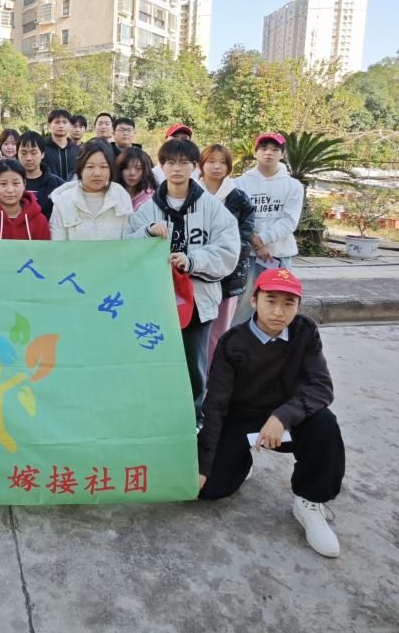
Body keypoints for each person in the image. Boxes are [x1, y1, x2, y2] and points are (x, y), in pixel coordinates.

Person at [198, 267, 346, 559]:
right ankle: (243, 463)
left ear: (298, 306)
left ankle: (308, 502)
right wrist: (203, 466)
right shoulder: (232, 342)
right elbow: (215, 405)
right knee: (208, 490)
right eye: (271, 301)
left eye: (289, 303)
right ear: (254, 300)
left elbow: (321, 386)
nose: (279, 311)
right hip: (243, 419)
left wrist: (282, 417)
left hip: (290, 419)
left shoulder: (305, 331)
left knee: (325, 424)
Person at [125, 138, 240, 428]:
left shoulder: (212, 208)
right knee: (155, 360)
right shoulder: (147, 210)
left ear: (195, 167)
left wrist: (192, 261)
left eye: (184, 163)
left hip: (198, 302)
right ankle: (155, 416)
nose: (177, 168)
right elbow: (125, 247)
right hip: (155, 302)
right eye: (170, 163)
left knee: (193, 364)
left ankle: (193, 420)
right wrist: (147, 232)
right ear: (161, 166)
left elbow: (228, 250)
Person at [232, 132, 304, 327]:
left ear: (282, 154)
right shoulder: (239, 183)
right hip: (248, 255)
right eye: (263, 148)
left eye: (275, 149)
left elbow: (289, 220)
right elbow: (237, 219)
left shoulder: (293, 186)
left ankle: (274, 340)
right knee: (244, 302)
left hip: (279, 254)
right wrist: (256, 243)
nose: (269, 153)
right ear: (255, 152)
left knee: (278, 301)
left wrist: (263, 239)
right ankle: (239, 340)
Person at [198, 144, 256, 368]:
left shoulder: (239, 198)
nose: (217, 167)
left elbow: (244, 237)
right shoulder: (189, 194)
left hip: (227, 275)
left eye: (223, 162)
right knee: (195, 329)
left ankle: (215, 375)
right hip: (194, 273)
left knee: (219, 330)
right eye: (211, 161)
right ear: (202, 164)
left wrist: (224, 262)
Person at [49, 141, 132, 240]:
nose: (97, 173)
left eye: (103, 166)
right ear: (80, 169)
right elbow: (58, 243)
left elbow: (128, 239)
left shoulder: (121, 196)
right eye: (90, 167)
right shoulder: (64, 201)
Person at [17, 131, 65, 221]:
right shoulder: (10, 183)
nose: (28, 158)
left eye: (34, 153)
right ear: (17, 154)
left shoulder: (58, 184)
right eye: (23, 153)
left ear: (42, 154)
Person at [43, 108, 79, 182]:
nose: (61, 126)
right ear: (49, 125)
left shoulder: (77, 150)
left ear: (70, 125)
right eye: (57, 122)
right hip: (49, 188)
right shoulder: (42, 148)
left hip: (72, 188)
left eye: (65, 122)